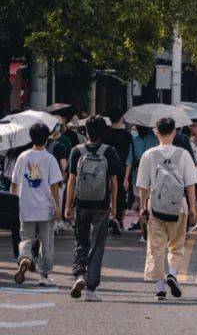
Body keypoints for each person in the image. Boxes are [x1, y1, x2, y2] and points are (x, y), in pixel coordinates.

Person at [136, 117, 197, 301]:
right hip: (178, 206)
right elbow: (191, 184)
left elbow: (143, 185)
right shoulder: (183, 154)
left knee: (156, 247)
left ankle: (159, 287)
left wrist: (142, 207)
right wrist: (193, 207)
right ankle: (172, 273)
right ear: (174, 132)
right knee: (177, 245)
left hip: (155, 207)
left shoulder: (149, 154)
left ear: (156, 132)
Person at [66, 115, 122, 301]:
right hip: (102, 205)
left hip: (81, 204)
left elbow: (71, 181)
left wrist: (67, 205)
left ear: (86, 131)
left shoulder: (76, 151)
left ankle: (79, 274)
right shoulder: (109, 151)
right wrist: (114, 204)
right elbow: (114, 182)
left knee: (81, 241)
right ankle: (91, 289)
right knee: (97, 246)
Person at [12, 123, 63, 286]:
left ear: (30, 137)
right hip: (45, 209)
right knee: (46, 243)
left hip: (25, 208)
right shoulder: (50, 159)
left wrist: (15, 202)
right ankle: (44, 276)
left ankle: (25, 257)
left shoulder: (22, 157)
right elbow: (54, 186)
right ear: (47, 138)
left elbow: (14, 183)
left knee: (26, 239)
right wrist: (58, 206)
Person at [99, 111, 133, 236]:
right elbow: (130, 155)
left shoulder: (104, 133)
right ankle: (118, 220)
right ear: (121, 118)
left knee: (105, 193)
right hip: (121, 169)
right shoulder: (127, 135)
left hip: (104, 168)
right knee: (120, 195)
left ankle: (106, 220)